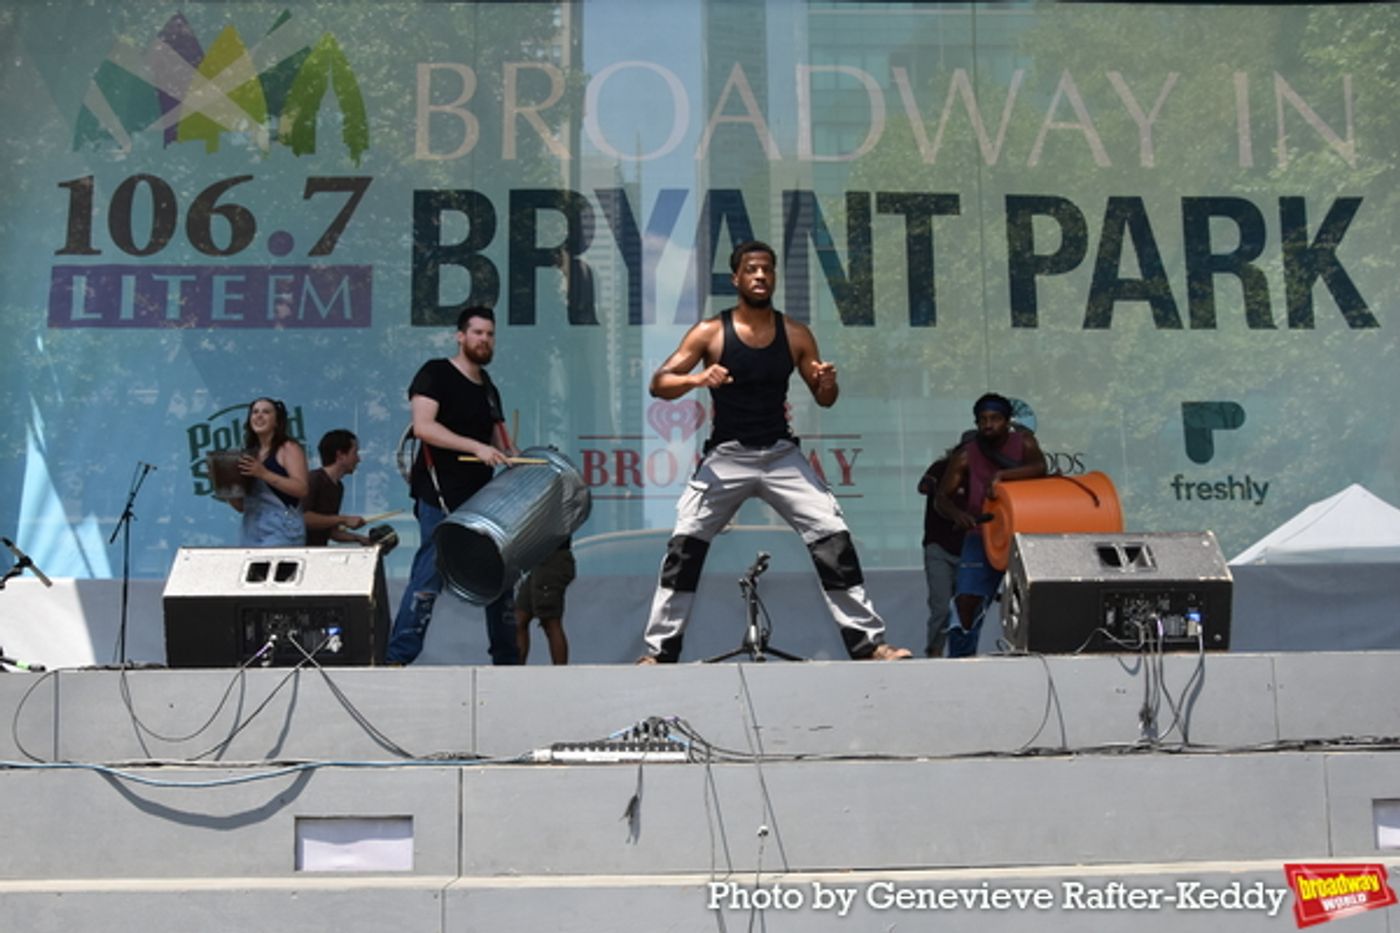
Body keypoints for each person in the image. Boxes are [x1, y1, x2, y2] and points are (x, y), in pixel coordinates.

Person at [637, 240, 910, 663]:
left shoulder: (796, 334)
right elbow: (660, 382)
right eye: (751, 269)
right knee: (684, 545)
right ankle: (659, 653)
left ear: (775, 276)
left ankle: (869, 645)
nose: (760, 276)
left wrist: (825, 382)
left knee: (832, 537)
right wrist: (698, 380)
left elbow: (825, 399)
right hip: (727, 456)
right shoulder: (711, 332)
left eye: (767, 269)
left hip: (781, 456)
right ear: (736, 279)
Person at [387, 307, 519, 665]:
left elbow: (501, 441)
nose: (484, 340)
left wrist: (515, 459)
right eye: (477, 333)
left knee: (499, 575)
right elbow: (424, 427)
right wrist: (476, 447)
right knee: (430, 575)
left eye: (490, 334)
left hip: (482, 500)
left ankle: (508, 662)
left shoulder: (489, 387)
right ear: (460, 336)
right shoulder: (435, 373)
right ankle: (398, 657)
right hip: (440, 494)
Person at [935, 393, 1047, 657]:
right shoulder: (966, 455)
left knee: (1034, 598)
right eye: (983, 420)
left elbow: (1039, 467)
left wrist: (1003, 475)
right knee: (966, 601)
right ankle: (961, 661)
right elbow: (941, 498)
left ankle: (1038, 655)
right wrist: (956, 515)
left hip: (1024, 533)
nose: (988, 425)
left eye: (995, 419)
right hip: (981, 536)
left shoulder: (1024, 442)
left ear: (1007, 421)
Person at [226, 398, 309, 546]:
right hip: (250, 529)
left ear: (277, 421)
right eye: (255, 412)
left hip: (281, 530)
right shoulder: (249, 454)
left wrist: (264, 473)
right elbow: (241, 507)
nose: (259, 416)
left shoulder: (288, 448)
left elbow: (301, 489)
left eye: (266, 412)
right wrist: (226, 486)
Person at [916, 448, 967, 658]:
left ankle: (962, 652)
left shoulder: (984, 474)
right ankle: (934, 651)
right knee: (941, 607)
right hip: (938, 547)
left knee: (966, 607)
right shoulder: (941, 468)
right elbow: (923, 487)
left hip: (968, 548)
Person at [303, 429, 373, 547]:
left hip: (316, 552)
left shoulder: (338, 487)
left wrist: (359, 538)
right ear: (340, 455)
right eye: (355, 453)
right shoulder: (313, 479)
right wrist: (343, 519)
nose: (358, 459)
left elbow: (331, 531)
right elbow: (303, 518)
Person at [514, 540, 576, 665]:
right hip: (539, 560)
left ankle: (560, 672)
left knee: (550, 620)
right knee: (519, 618)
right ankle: (516, 668)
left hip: (551, 556)